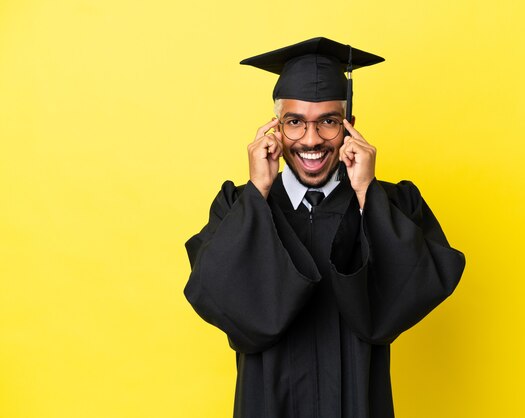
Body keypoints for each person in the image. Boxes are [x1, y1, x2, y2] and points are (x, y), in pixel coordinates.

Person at [184, 37, 465, 418]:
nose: (311, 139)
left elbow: (411, 294)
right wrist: (258, 192)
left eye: (329, 122)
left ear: (350, 127)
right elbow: (218, 297)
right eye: (295, 123)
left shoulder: (392, 203)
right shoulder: (239, 206)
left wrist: (367, 193)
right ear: (275, 130)